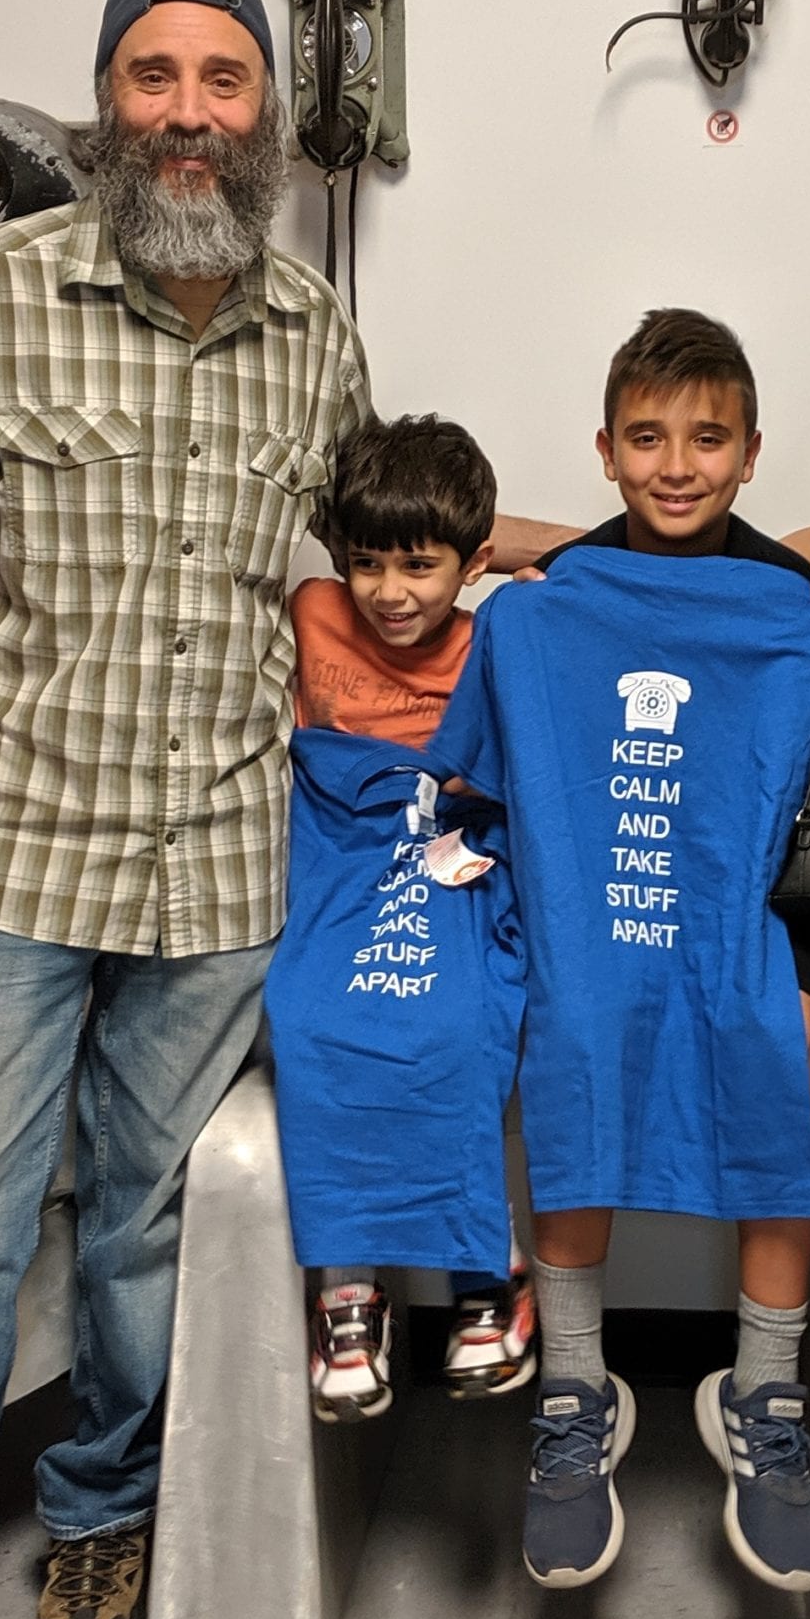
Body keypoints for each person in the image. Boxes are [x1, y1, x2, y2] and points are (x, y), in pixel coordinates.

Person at [0, 0, 375, 1619]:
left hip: (218, 867)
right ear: (105, 98)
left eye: (225, 79)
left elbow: (370, 560)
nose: (191, 112)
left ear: (267, 113)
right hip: (9, 855)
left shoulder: (315, 329)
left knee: (146, 1225)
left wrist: (646, 541)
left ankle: (101, 1529)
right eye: (157, 75)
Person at [435, 309, 810, 1596]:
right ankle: (575, 1388)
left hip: (751, 916)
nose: (677, 464)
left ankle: (768, 1394)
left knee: (776, 1045)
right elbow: (480, 776)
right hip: (599, 910)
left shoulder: (795, 611)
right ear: (608, 453)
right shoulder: (545, 610)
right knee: (572, 1034)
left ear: (748, 456)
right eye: (647, 438)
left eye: (707, 439)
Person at [280, 412, 538, 1418]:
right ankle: (348, 1290)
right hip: (345, 845)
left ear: (472, 562)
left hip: (458, 848)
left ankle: (489, 1276)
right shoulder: (305, 608)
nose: (389, 592)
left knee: (465, 1018)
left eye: (418, 566)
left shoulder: (501, 635)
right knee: (309, 1016)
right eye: (367, 563)